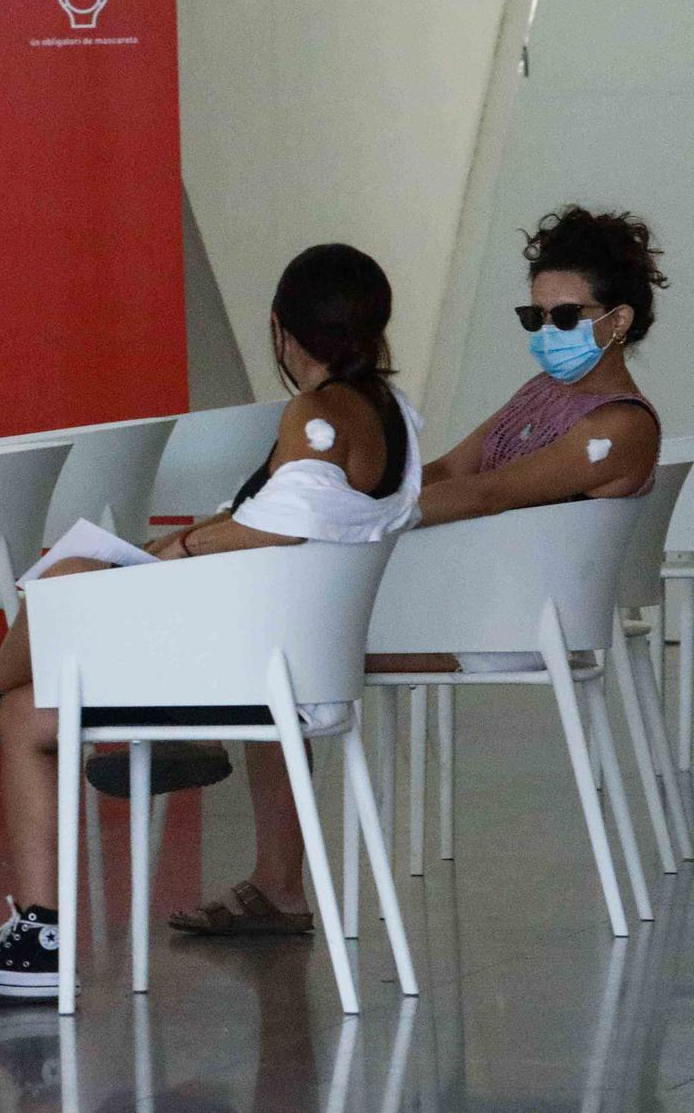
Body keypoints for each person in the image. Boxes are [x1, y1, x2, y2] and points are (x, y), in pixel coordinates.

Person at [0, 244, 422, 1003]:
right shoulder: (393, 415)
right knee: (81, 583)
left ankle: (37, 924)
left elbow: (281, 525)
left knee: (31, 691)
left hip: (242, 665)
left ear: (280, 330)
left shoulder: (316, 414)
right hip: (299, 660)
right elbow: (292, 518)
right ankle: (5, 704)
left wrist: (175, 546)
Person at [165, 206, 665, 937]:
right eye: (534, 314)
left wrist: (347, 510)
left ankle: (238, 798)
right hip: (465, 597)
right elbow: (447, 468)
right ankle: (263, 851)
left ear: (616, 322)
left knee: (281, 636)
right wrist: (367, 491)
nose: (544, 331)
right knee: (283, 621)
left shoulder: (621, 425)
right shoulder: (545, 395)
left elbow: (485, 490)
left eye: (564, 315)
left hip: (507, 620)